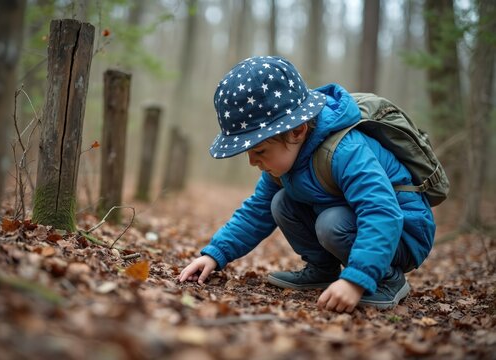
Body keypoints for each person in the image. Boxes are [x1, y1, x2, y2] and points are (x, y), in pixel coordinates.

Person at [178, 56, 436, 313]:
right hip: (359, 226)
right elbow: (256, 211)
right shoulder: (285, 163)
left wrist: (356, 279)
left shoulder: (345, 151)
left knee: (331, 222)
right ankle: (322, 270)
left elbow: (381, 211)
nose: (252, 161)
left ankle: (388, 278)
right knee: (279, 202)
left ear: (297, 131)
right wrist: (214, 254)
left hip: (404, 232)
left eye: (259, 150)